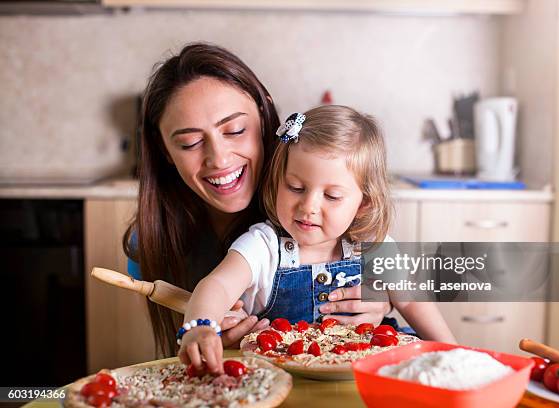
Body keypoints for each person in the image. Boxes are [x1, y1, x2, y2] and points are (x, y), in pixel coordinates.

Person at [123, 43, 392, 357]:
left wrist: (385, 298)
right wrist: (207, 338)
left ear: (264, 114)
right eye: (190, 142)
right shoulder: (152, 243)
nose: (219, 158)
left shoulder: (315, 178)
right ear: (165, 151)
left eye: (235, 130)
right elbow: (189, 341)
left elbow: (440, 276)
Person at [178, 106, 455, 373]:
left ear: (363, 204)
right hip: (286, 379)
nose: (308, 206)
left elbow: (412, 302)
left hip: (363, 378)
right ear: (277, 181)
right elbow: (217, 285)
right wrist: (200, 326)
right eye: (295, 187)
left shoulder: (375, 246)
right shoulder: (262, 246)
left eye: (332, 196)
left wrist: (453, 353)